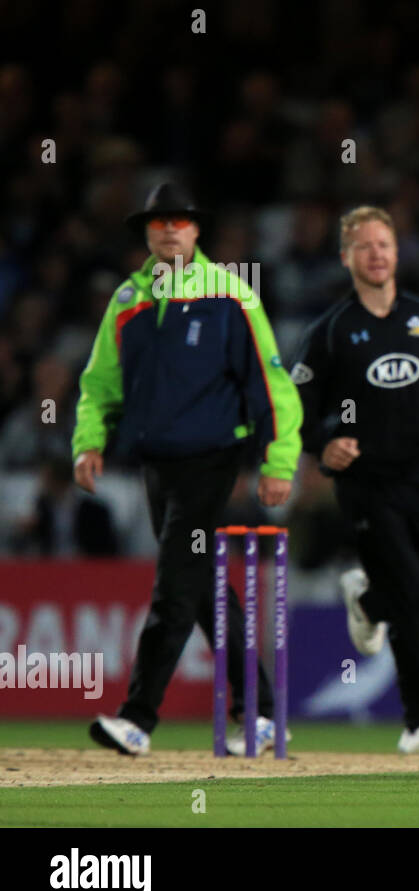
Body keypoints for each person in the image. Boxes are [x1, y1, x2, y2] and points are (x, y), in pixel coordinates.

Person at [73, 181, 302, 756]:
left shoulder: (231, 295)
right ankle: (264, 712)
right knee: (200, 589)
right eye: (159, 223)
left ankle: (137, 719)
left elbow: (273, 385)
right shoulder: (128, 301)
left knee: (175, 586)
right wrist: (88, 442)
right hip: (158, 465)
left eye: (180, 221)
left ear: (197, 231)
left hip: (212, 460)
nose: (170, 230)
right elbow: (99, 384)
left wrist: (278, 461)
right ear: (147, 234)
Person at [291, 205, 419, 754]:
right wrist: (325, 442)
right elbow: (296, 405)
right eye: (365, 246)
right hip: (367, 483)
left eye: (384, 245)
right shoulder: (331, 331)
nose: (376, 254)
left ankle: (366, 600)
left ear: (397, 253)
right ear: (347, 257)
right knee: (412, 595)